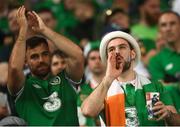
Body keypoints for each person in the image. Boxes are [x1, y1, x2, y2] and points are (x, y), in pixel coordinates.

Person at [7, 6, 84, 126]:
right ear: (25, 62)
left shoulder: (66, 81)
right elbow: (14, 69)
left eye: (45, 54)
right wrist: (23, 31)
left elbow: (77, 55)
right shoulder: (22, 88)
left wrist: (44, 30)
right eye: (34, 57)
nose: (41, 60)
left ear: (50, 55)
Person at [81, 31, 177, 126]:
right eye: (111, 50)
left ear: (132, 54)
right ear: (107, 59)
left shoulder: (155, 86)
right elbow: (87, 111)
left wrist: (168, 115)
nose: (117, 52)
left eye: (122, 47)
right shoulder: (103, 90)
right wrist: (108, 78)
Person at [148, 11, 180, 83]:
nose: (168, 28)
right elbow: (161, 89)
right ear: (159, 30)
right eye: (163, 25)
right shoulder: (156, 60)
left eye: (172, 23)